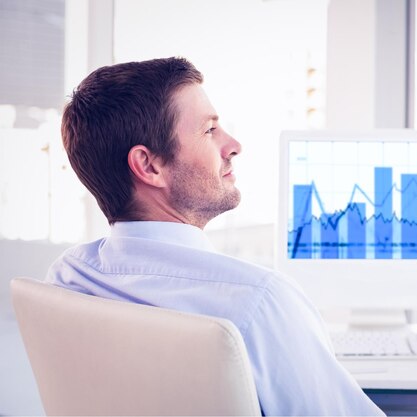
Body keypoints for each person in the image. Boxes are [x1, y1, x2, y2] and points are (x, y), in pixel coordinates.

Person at [45, 57, 384, 416]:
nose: (234, 145)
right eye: (209, 131)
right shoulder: (257, 303)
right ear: (149, 166)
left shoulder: (68, 278)